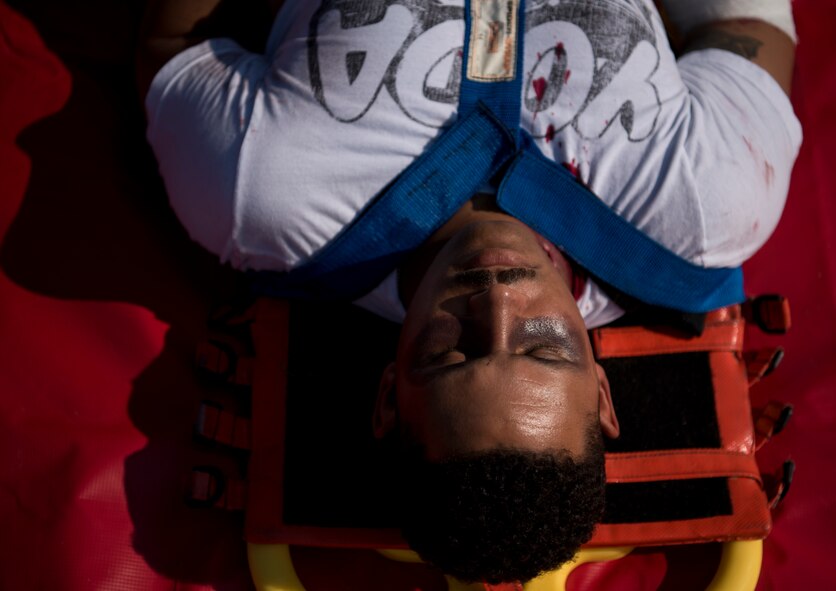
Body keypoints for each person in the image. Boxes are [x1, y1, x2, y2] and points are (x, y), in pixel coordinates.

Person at [138, 0, 801, 583]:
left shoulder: (260, 194)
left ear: (387, 394)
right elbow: (740, 23)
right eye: (543, 346)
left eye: (452, 352)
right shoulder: (709, 203)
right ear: (602, 391)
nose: (498, 297)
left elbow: (178, 47)